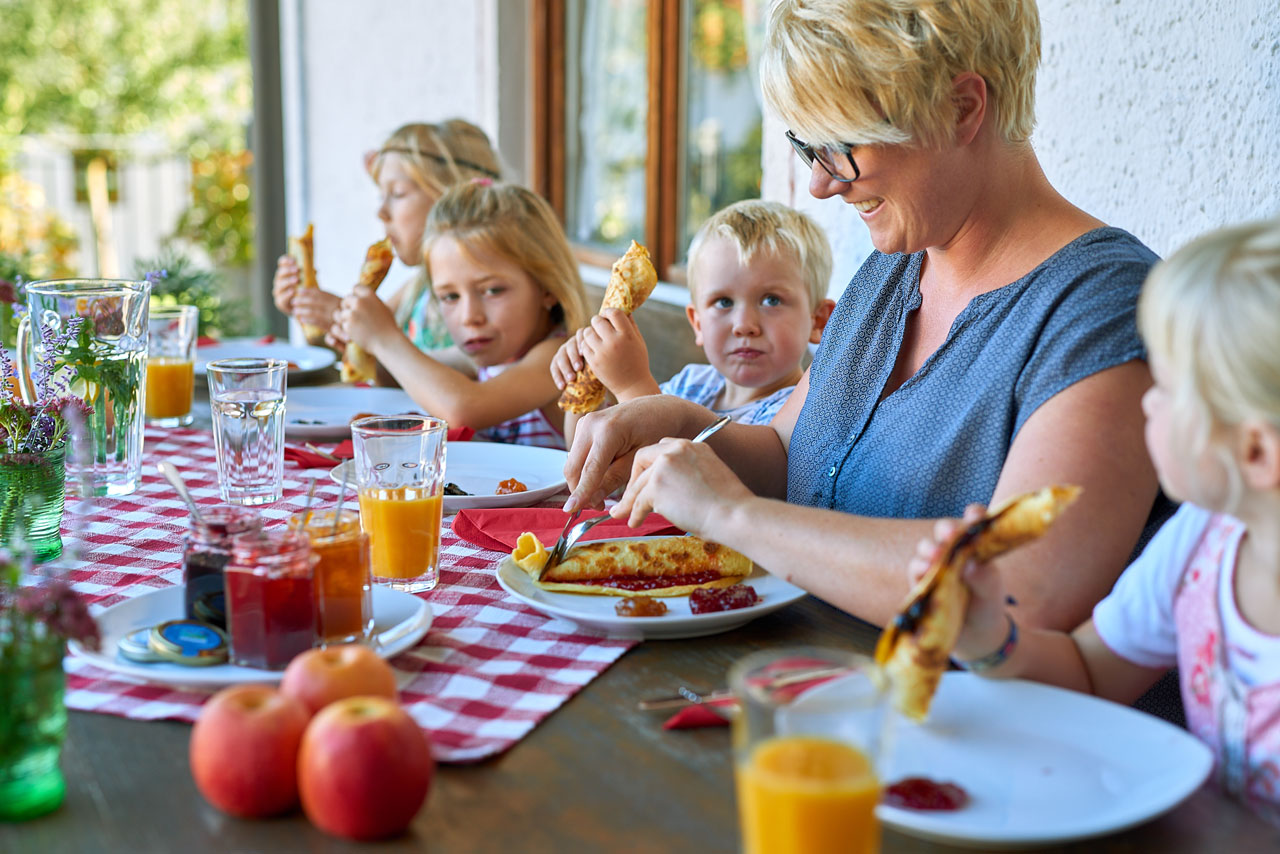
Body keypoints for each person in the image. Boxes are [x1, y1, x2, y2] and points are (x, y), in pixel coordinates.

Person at [564, 0, 1171, 632]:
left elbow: (1021, 591)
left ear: (963, 109)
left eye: (840, 144)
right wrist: (678, 425)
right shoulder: (891, 272)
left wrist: (733, 517)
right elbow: (787, 454)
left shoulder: (1107, 309)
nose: (823, 184)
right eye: (808, 147)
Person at [911, 220, 1280, 825]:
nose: (1145, 399)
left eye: (1168, 387)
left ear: (1257, 454)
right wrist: (988, 637)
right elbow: (1087, 672)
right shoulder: (1200, 543)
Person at [550, 200, 835, 444]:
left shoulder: (804, 411)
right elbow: (593, 464)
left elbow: (688, 479)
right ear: (697, 323)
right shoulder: (691, 385)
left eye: (771, 300)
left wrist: (632, 386)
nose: (744, 325)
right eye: (723, 302)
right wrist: (586, 384)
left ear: (818, 321)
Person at [333, 180, 590, 448]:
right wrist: (364, 347)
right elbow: (404, 377)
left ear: (547, 287)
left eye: (492, 290)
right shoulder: (485, 358)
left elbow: (463, 410)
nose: (469, 316)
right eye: (450, 296)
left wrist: (384, 340)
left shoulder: (561, 358)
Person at [273, 119, 501, 359]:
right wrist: (315, 315)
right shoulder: (417, 288)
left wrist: (351, 322)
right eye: (380, 197)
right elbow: (365, 358)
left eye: (397, 194)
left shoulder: (485, 297)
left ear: (452, 197)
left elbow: (450, 373)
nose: (381, 212)